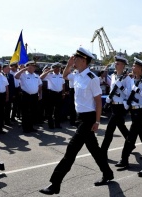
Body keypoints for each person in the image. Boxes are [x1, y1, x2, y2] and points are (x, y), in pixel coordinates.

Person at [40, 47, 114, 195]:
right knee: (94, 150)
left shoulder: (92, 78)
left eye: (77, 59)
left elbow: (98, 102)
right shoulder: (77, 75)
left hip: (88, 118)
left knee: (71, 151)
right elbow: (64, 75)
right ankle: (108, 173)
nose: (74, 60)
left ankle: (55, 184)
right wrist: (69, 63)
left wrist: (97, 121)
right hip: (81, 117)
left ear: (84, 60)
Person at [114, 57, 142, 169]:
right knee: (141, 132)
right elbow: (128, 93)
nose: (133, 67)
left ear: (140, 69)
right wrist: (126, 99)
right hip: (132, 109)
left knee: (131, 135)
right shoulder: (131, 80)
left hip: (140, 110)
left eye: (135, 66)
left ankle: (124, 159)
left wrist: (138, 90)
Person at [101, 56, 131, 158]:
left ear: (123, 66)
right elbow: (112, 90)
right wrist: (109, 99)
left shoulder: (127, 78)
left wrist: (121, 87)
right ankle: (130, 143)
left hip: (121, 107)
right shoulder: (113, 76)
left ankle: (103, 151)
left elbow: (129, 94)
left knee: (109, 129)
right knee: (121, 126)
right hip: (113, 105)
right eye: (115, 63)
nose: (115, 65)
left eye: (118, 63)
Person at [14, 61, 42, 133]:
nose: (34, 68)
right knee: (25, 112)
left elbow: (39, 85)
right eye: (32, 66)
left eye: (34, 66)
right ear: (28, 67)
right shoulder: (23, 74)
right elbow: (16, 76)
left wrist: (40, 94)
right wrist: (23, 69)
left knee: (33, 112)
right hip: (26, 95)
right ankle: (25, 128)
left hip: (34, 96)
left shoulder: (36, 75)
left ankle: (31, 127)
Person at [40, 62, 65, 129]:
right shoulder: (50, 75)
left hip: (59, 94)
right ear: (53, 68)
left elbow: (63, 84)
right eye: (56, 68)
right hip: (51, 93)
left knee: (58, 110)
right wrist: (48, 71)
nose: (57, 69)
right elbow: (41, 77)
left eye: (58, 68)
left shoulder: (61, 75)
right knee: (50, 110)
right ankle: (50, 124)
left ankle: (57, 124)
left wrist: (63, 93)